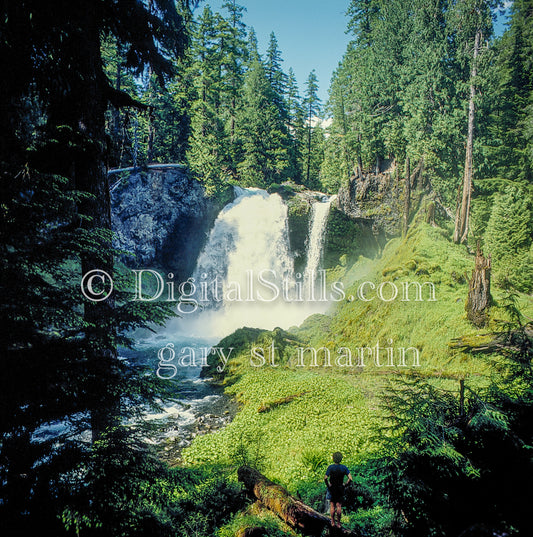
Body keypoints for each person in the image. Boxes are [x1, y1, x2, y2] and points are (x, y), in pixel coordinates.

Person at [324, 451, 352, 528]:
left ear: (333, 458)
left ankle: (332, 522)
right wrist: (345, 485)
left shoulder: (330, 467)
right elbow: (350, 478)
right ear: (341, 459)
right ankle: (339, 523)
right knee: (339, 505)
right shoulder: (344, 467)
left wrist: (328, 485)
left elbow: (325, 478)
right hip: (340, 488)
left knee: (332, 505)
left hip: (332, 488)